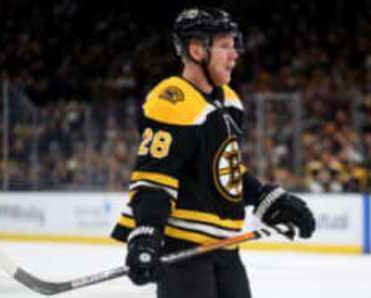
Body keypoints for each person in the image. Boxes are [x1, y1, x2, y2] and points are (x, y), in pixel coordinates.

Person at [111, 7, 316, 298]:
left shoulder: (229, 101)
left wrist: (264, 197)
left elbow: (222, 170)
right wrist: (146, 232)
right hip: (185, 253)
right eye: (225, 46)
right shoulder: (173, 100)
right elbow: (154, 177)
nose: (235, 54)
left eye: (235, 45)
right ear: (197, 50)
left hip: (226, 250)